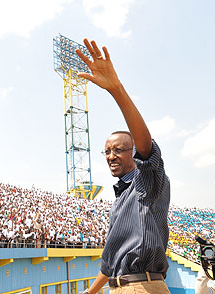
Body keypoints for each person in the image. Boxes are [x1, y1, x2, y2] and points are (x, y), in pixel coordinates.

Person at [75, 39, 171, 294]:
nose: (111, 156)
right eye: (107, 151)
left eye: (119, 149)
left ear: (134, 152)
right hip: (118, 288)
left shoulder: (147, 181)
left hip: (142, 286)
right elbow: (109, 266)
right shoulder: (119, 201)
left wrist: (115, 89)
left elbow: (146, 147)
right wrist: (90, 292)